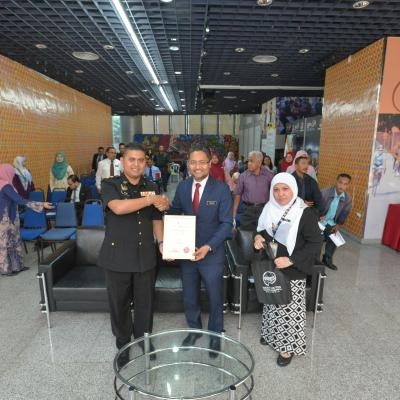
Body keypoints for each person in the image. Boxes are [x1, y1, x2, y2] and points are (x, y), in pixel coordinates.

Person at [97, 143, 169, 365]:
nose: (136, 164)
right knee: (119, 304)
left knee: (145, 303)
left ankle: (143, 338)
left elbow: (156, 218)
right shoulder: (110, 184)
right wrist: (150, 199)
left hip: (145, 255)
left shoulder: (151, 185)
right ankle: (123, 343)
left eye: (141, 160)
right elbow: (118, 208)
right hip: (117, 256)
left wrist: (162, 242)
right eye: (131, 159)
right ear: (122, 161)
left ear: (146, 162)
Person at [169, 144, 232, 356]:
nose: (197, 167)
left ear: (210, 163)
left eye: (202, 162)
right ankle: (194, 329)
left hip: (211, 253)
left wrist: (208, 246)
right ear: (188, 164)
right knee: (190, 295)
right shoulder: (183, 187)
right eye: (193, 162)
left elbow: (226, 224)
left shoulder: (221, 189)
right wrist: (171, 242)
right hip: (186, 252)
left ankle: (215, 334)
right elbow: (175, 213)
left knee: (215, 296)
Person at [254, 173, 322, 367]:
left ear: (294, 189)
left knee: (289, 309)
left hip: (293, 268)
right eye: (276, 189)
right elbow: (262, 230)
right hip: (272, 264)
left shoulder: (304, 213)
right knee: (272, 301)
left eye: (285, 189)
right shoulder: (269, 207)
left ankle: (287, 347)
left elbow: (315, 243)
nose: (280, 194)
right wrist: (257, 238)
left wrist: (291, 260)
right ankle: (270, 334)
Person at [0, 164, 53, 276]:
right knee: (5, 243)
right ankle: (6, 269)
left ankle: (17, 266)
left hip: (10, 217)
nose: (13, 175)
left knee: (14, 241)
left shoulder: (6, 184)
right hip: (5, 219)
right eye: (12, 173)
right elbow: (19, 200)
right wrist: (41, 204)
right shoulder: (5, 186)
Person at [232, 151, 273, 231]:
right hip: (247, 210)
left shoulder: (269, 175)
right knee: (245, 234)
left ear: (259, 162)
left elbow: (273, 193)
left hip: (264, 210)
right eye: (248, 161)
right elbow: (238, 194)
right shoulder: (243, 176)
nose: (249, 163)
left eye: (251, 161)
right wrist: (234, 214)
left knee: (262, 234)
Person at [320, 174, 352, 270]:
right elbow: (314, 207)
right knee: (318, 240)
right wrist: (318, 216)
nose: (342, 186)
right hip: (319, 222)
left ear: (348, 185)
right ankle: (315, 262)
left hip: (331, 222)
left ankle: (327, 259)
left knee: (334, 238)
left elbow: (344, 213)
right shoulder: (324, 193)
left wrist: (338, 225)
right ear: (336, 182)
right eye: (340, 182)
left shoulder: (347, 198)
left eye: (345, 184)